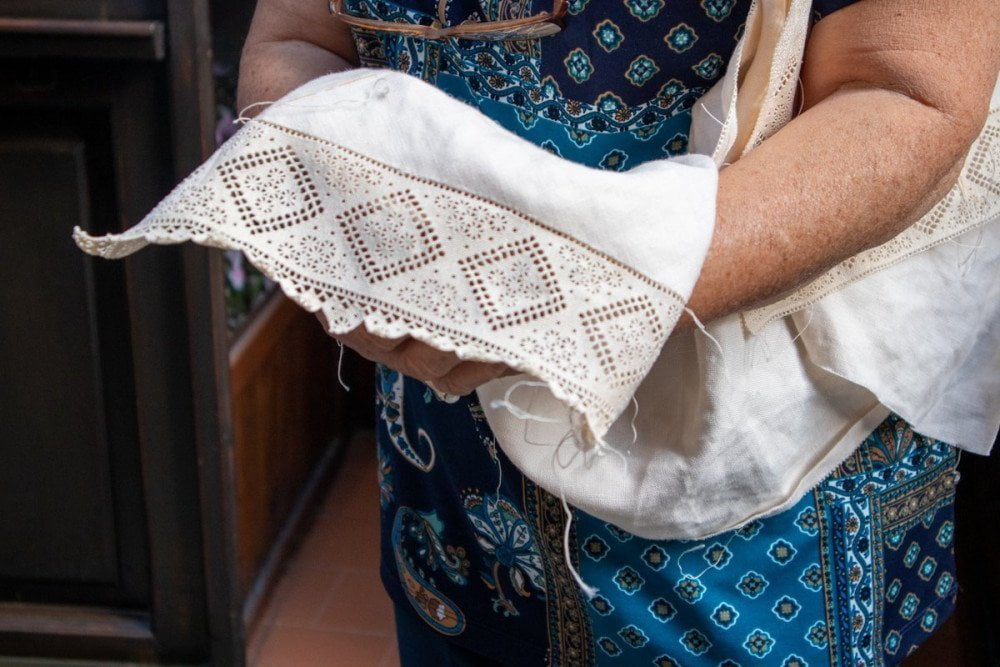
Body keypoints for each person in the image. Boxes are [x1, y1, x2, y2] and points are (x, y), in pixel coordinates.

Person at [238, 1, 999, 664]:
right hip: (453, 499)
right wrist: (325, 234)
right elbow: (298, 43)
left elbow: (907, 87)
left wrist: (584, 289)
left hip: (759, 525)